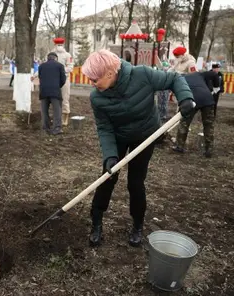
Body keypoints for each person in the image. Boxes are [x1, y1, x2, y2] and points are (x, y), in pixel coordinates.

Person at [81, 49, 194, 247]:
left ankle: (137, 225)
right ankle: (96, 222)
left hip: (145, 136)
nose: (92, 84)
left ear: (109, 73)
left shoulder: (142, 74)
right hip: (118, 137)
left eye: (94, 79)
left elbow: (174, 78)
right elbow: (104, 128)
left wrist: (184, 98)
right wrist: (110, 156)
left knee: (136, 182)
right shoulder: (97, 98)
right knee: (107, 178)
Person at [172, 71, 220, 158]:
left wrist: (182, 108)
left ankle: (180, 146)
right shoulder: (198, 74)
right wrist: (216, 87)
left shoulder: (180, 80)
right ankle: (209, 149)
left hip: (192, 100)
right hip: (207, 99)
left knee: (184, 123)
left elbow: (180, 94)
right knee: (209, 125)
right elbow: (214, 74)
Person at [38, 52, 66, 135]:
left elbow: (40, 77)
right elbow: (63, 79)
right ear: (56, 58)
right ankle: (57, 129)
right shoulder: (60, 66)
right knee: (57, 110)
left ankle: (45, 128)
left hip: (43, 91)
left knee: (44, 110)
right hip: (55, 91)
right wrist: (58, 86)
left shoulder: (41, 66)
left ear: (48, 58)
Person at [52, 37, 73, 126]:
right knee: (55, 99)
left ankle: (65, 118)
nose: (59, 46)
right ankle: (57, 118)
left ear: (63, 45)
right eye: (58, 44)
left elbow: (70, 68)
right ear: (55, 45)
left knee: (65, 98)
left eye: (60, 44)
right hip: (54, 80)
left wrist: (60, 69)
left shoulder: (68, 55)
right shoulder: (51, 55)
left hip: (64, 79)